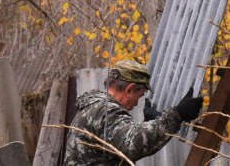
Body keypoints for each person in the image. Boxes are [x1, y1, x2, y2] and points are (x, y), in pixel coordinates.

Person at [63, 59, 203, 165]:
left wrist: (148, 124)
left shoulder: (94, 108)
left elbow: (119, 148)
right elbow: (132, 144)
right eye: (140, 96)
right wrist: (177, 115)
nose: (137, 103)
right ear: (129, 89)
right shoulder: (107, 111)